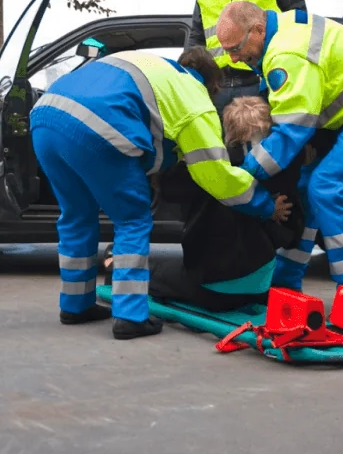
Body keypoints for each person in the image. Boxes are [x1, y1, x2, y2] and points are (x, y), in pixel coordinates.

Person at [29, 47, 293, 340]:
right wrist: (265, 205)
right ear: (211, 86)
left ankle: (75, 305)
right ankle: (130, 316)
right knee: (132, 221)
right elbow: (217, 177)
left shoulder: (157, 70)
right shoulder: (194, 98)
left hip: (45, 116)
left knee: (76, 217)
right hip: (97, 124)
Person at [215, 1, 343, 293]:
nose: (234, 59)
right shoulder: (278, 33)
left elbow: (292, 129)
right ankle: (285, 285)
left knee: (328, 188)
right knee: (307, 189)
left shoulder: (286, 54)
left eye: (235, 48)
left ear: (258, 30)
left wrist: (246, 175)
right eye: (227, 51)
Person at [105, 96, 309, 312]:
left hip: (211, 289)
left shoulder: (209, 169)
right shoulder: (279, 175)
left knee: (158, 272)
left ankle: (115, 265)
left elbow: (167, 187)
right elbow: (291, 235)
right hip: (259, 287)